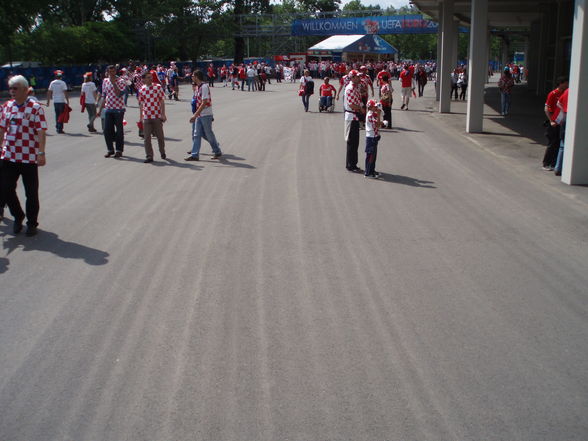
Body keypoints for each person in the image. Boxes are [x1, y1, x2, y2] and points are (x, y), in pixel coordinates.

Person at [0, 75, 47, 236]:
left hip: (28, 157)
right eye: (10, 88)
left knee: (31, 192)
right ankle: (18, 215)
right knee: (6, 188)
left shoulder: (35, 108)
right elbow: (1, 129)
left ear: (26, 90)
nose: (12, 91)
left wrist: (41, 153)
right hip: (9, 155)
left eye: (16, 88)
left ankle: (32, 222)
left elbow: (41, 131)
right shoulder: (6, 106)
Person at [185, 71, 222, 161]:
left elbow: (204, 102)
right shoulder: (198, 87)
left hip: (205, 114)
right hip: (200, 114)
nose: (192, 77)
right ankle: (195, 155)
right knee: (197, 134)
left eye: (193, 76)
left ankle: (217, 151)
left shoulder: (204, 87)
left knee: (209, 134)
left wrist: (195, 115)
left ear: (197, 77)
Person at [97, 65, 126, 158]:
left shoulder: (121, 81)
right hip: (108, 108)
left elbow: (119, 94)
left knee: (119, 131)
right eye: (110, 72)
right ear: (107, 72)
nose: (112, 73)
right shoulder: (105, 81)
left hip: (118, 109)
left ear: (116, 71)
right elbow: (104, 96)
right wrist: (100, 109)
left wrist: (114, 84)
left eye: (113, 71)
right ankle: (110, 149)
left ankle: (119, 150)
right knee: (107, 130)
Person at [138, 71, 167, 163]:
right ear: (144, 79)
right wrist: (141, 117)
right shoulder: (142, 89)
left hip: (157, 115)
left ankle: (162, 152)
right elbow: (141, 104)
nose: (150, 78)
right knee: (147, 138)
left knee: (160, 137)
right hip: (147, 116)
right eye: (148, 77)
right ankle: (149, 156)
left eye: (151, 77)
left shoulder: (157, 87)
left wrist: (163, 114)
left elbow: (162, 101)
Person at [542, 76, 568, 171]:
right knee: (552, 143)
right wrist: (551, 121)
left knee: (557, 143)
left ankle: (553, 163)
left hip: (560, 122)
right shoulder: (553, 94)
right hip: (553, 121)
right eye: (565, 83)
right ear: (561, 83)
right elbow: (546, 109)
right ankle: (546, 163)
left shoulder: (564, 93)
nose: (567, 85)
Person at [343, 70, 364, 172]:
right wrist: (361, 109)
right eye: (357, 77)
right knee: (352, 142)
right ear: (352, 78)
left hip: (355, 116)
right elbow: (352, 105)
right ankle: (350, 165)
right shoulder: (350, 88)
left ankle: (353, 163)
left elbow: (358, 101)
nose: (359, 78)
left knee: (355, 142)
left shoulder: (355, 88)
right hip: (351, 117)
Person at [553, 87, 569, 177]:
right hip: (572, 117)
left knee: (562, 144)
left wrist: (564, 111)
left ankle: (558, 168)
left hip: (565, 117)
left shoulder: (567, 91)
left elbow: (559, 103)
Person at [364, 99, 381, 179]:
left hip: (374, 136)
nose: (376, 107)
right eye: (374, 106)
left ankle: (372, 170)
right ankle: (368, 172)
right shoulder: (370, 115)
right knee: (370, 155)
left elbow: (378, 123)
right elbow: (377, 124)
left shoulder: (373, 114)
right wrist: (380, 117)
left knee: (373, 155)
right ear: (370, 107)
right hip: (371, 137)